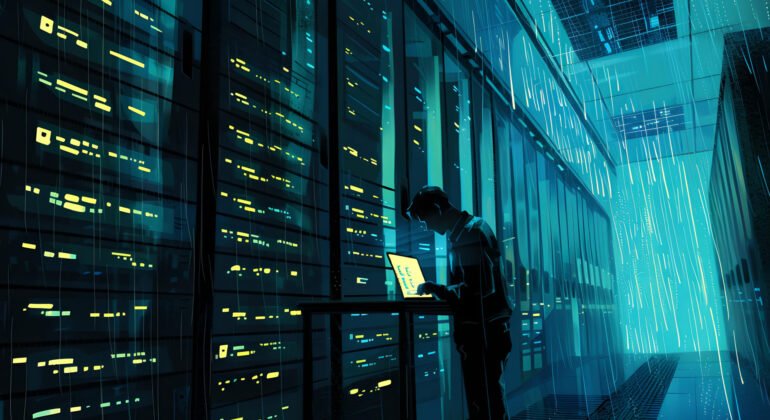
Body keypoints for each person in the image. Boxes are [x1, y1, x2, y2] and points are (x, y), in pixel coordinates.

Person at [407, 186, 513, 420]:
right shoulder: (472, 229)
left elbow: (479, 288)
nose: (428, 227)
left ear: (437, 209)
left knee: (483, 405)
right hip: (491, 331)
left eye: (426, 219)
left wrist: (439, 291)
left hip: (482, 336)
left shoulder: (468, 235)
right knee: (491, 402)